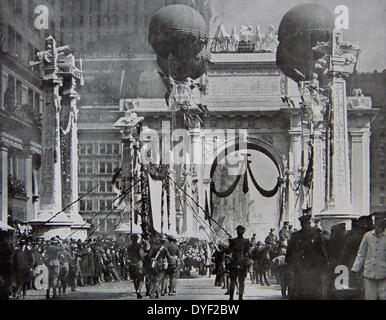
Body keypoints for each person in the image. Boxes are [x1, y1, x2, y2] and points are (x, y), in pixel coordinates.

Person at [285, 213, 329, 299]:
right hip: (299, 268)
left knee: (314, 291)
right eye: (306, 224)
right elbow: (289, 253)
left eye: (309, 223)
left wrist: (324, 264)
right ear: (302, 225)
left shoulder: (316, 235)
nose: (308, 226)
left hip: (313, 268)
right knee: (299, 291)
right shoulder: (295, 236)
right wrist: (289, 266)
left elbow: (322, 251)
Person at [351, 211, 386, 300]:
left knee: (383, 296)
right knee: (370, 297)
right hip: (369, 272)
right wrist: (355, 269)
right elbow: (361, 254)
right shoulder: (368, 236)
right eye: (377, 220)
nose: (379, 223)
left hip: (384, 274)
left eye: (381, 220)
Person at [226, 225, 251, 300]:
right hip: (242, 264)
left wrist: (230, 242)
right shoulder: (246, 241)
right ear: (244, 232)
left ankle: (231, 298)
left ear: (237, 231)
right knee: (241, 282)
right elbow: (249, 253)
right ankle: (240, 297)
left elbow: (227, 251)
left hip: (234, 263)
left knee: (233, 281)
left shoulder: (233, 241)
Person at [127, 234, 146, 299]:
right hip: (138, 263)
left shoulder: (129, 246)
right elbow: (142, 255)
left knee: (134, 278)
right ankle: (139, 290)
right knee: (141, 278)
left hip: (131, 263)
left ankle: (137, 290)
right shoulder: (139, 246)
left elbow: (128, 255)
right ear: (137, 238)